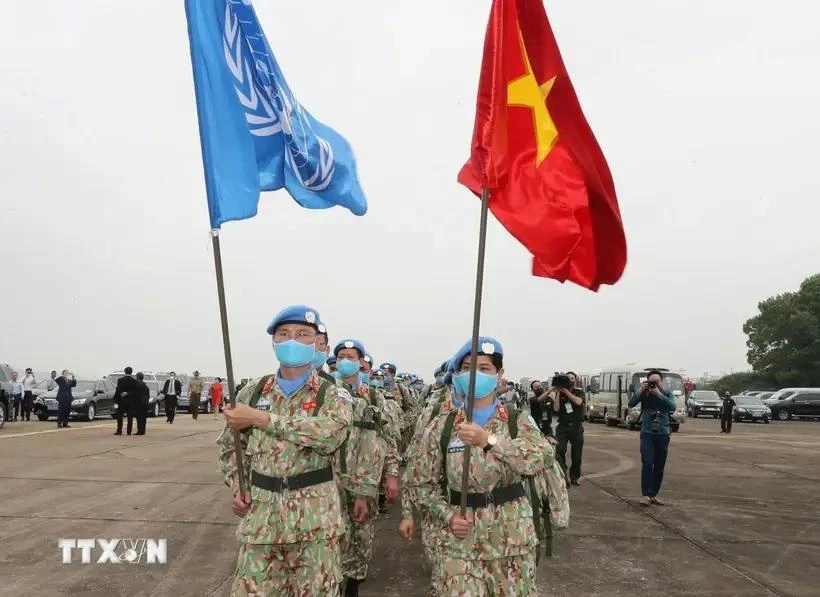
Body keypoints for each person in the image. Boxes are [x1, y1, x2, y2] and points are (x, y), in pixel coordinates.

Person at [218, 305, 353, 596]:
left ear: (316, 343)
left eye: (303, 334)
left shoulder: (331, 393)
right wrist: (239, 486)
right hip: (261, 522)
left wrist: (261, 419)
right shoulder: (252, 392)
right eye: (285, 334)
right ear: (274, 342)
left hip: (315, 525)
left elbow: (332, 434)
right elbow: (231, 449)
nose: (293, 340)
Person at [407, 337, 547, 595]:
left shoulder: (517, 421)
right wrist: (447, 516)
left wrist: (488, 440)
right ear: (458, 375)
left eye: (484, 369)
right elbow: (419, 484)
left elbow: (539, 459)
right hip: (460, 541)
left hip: (511, 540)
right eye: (468, 368)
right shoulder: (443, 426)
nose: (475, 375)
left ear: (499, 374)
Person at [332, 339, 399, 596]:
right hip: (331, 483)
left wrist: (391, 475)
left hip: (365, 484)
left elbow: (388, 437)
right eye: (340, 356)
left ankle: (352, 587)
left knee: (360, 540)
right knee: (333, 539)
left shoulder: (373, 397)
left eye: (351, 356)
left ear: (362, 362)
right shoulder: (326, 393)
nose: (345, 360)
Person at [628, 369, 677, 506]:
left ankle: (653, 494)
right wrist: (639, 391)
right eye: (651, 382)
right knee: (648, 462)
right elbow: (631, 404)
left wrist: (659, 394)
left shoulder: (666, 394)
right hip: (647, 432)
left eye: (656, 382)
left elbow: (672, 406)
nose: (653, 385)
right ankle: (646, 494)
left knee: (659, 465)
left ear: (661, 382)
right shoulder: (644, 393)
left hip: (663, 432)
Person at [551, 371, 586, 486]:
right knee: (560, 450)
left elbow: (578, 402)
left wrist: (566, 391)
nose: (570, 380)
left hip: (576, 426)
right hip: (563, 426)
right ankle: (562, 474)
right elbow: (556, 409)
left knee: (576, 454)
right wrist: (558, 394)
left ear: (575, 380)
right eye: (568, 378)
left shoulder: (579, 392)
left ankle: (574, 477)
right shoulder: (560, 393)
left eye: (572, 378)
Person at [113, 367, 140, 436]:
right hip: (130, 402)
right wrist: (128, 393)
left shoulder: (120, 380)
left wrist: (115, 399)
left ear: (125, 372)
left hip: (121, 401)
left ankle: (119, 431)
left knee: (120, 416)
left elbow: (117, 391)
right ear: (131, 372)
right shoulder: (134, 381)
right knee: (130, 417)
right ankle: (129, 432)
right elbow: (136, 392)